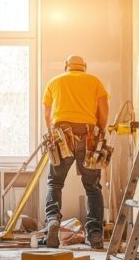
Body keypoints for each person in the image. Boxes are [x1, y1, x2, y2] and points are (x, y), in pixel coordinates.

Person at [42, 55, 109, 249]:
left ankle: (53, 221)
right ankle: (95, 234)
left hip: (61, 133)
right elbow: (103, 111)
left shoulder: (54, 82)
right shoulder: (94, 81)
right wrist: (100, 133)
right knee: (92, 187)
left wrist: (52, 132)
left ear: (66, 67)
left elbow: (47, 113)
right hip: (88, 135)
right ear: (84, 67)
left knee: (55, 183)